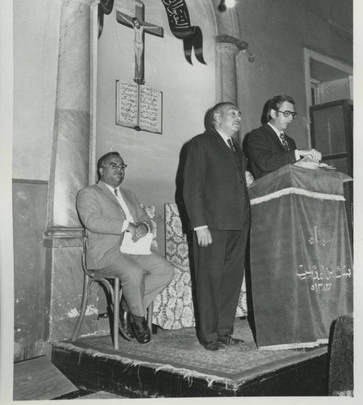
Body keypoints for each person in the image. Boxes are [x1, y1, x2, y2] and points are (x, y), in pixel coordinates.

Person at [76, 151, 174, 344]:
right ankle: (139, 320)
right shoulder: (89, 193)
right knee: (134, 272)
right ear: (101, 169)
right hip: (106, 253)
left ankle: (126, 307)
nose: (119, 170)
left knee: (166, 270)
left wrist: (144, 227)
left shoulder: (129, 195)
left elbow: (145, 218)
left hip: (134, 250)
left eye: (122, 167)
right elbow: (91, 220)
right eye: (113, 165)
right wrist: (127, 225)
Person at [182, 102, 250, 351]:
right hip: (212, 225)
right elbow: (191, 187)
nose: (238, 117)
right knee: (209, 279)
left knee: (231, 279)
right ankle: (209, 335)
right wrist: (199, 225)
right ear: (216, 118)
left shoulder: (236, 149)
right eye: (233, 113)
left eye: (239, 114)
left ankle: (224, 331)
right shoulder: (200, 143)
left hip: (238, 224)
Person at [246, 95, 322, 180]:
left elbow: (292, 167)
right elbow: (265, 163)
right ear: (273, 113)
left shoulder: (290, 141)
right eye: (286, 113)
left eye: (292, 114)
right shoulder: (258, 135)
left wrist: (308, 162)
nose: (290, 118)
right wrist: (298, 153)